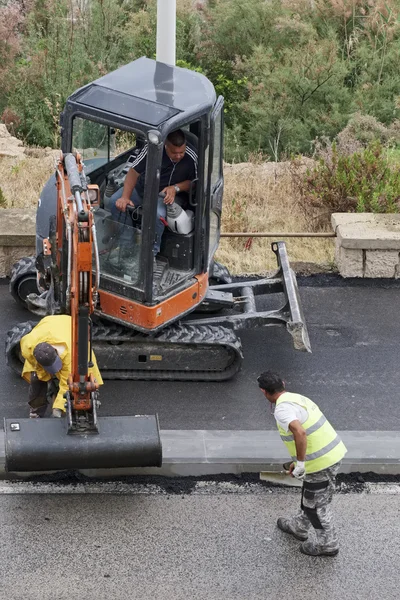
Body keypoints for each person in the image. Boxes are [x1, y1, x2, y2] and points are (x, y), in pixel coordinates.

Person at [257, 371, 347, 557]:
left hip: (321, 461)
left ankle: (328, 545)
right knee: (311, 496)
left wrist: (300, 463)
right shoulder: (296, 398)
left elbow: (300, 432)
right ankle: (299, 526)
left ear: (264, 392)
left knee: (315, 506)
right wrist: (297, 461)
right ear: (283, 383)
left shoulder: (282, 409)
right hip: (330, 454)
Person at [110, 129, 197, 256]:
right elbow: (133, 172)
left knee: (157, 214)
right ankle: (126, 247)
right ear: (166, 145)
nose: (178, 156)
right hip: (143, 189)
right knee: (114, 202)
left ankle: (150, 254)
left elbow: (195, 183)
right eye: (174, 152)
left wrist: (176, 188)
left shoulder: (192, 156)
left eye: (181, 152)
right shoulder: (152, 148)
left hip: (169, 195)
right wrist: (125, 197)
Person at [20, 315, 103, 418]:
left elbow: (66, 385)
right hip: (49, 324)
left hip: (67, 324)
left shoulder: (70, 356)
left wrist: (58, 408)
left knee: (79, 380)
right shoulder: (28, 345)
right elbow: (34, 363)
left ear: (56, 352)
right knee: (36, 379)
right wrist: (43, 376)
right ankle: (36, 411)